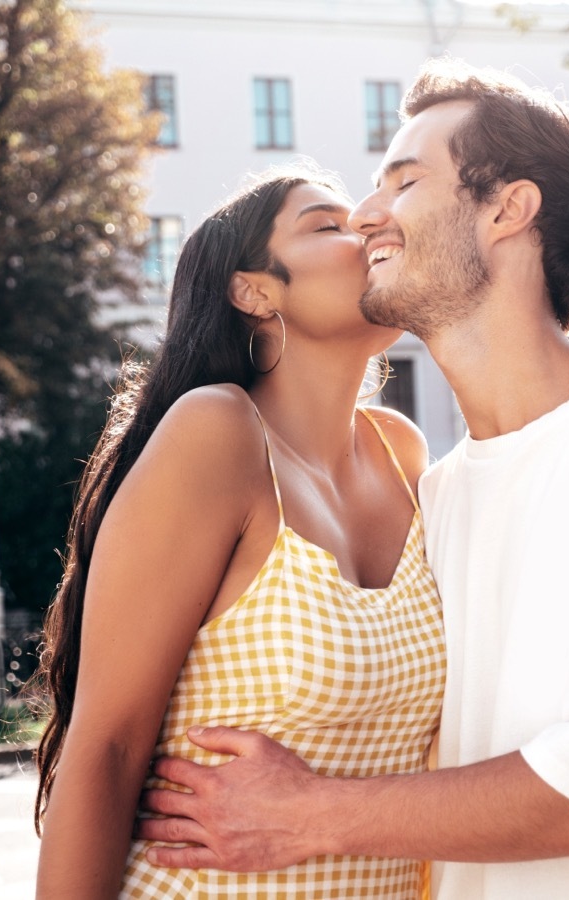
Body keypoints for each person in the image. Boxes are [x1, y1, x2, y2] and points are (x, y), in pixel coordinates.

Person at [137, 59, 569, 898]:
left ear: (507, 208)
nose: (368, 215)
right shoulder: (437, 496)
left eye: (405, 181)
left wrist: (311, 813)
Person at [29, 166, 448, 898]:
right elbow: (107, 747)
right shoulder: (217, 433)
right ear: (254, 290)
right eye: (329, 225)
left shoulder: (402, 452)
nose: (370, 232)